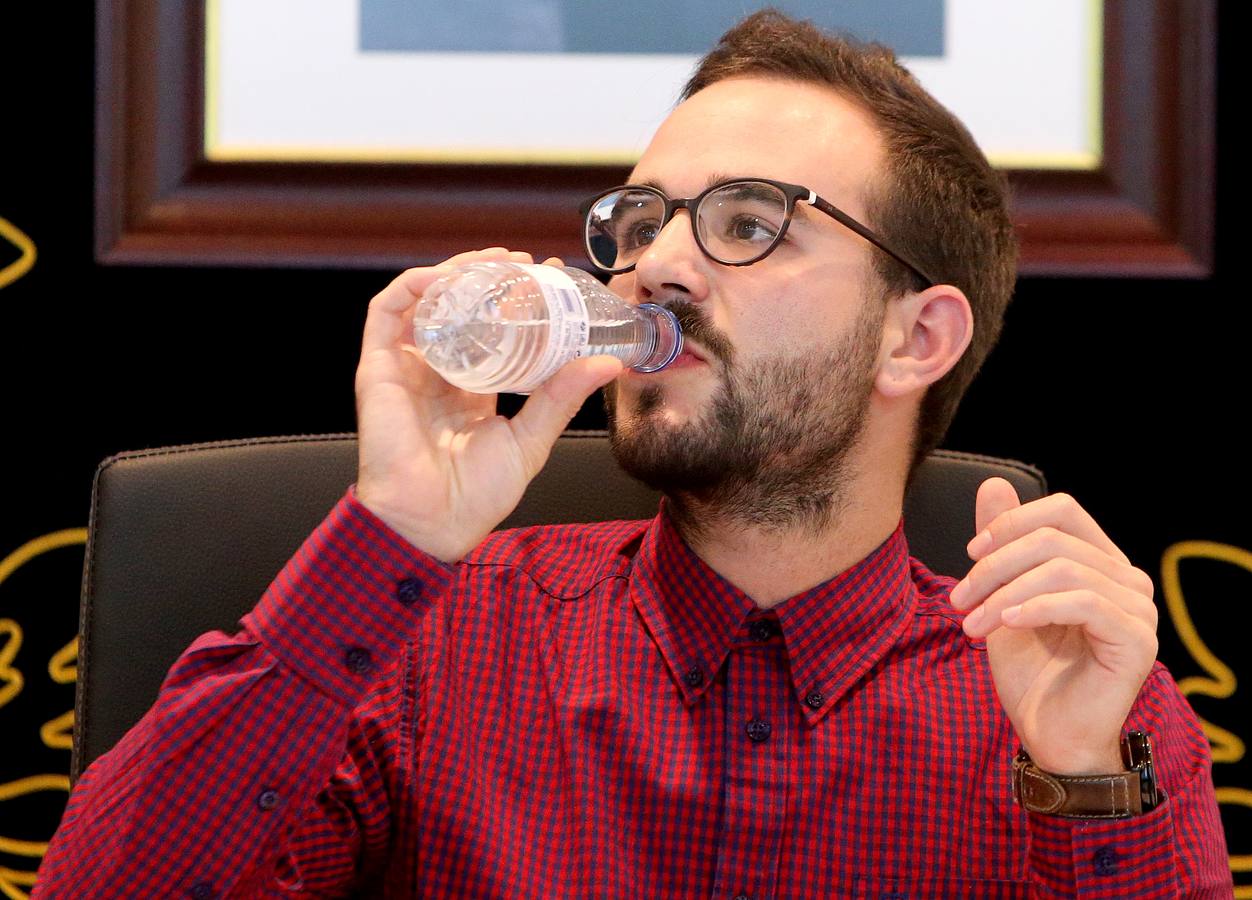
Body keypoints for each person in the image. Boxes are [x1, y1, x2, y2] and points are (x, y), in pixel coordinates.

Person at [36, 10, 1232, 898]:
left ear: (912, 336)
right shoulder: (436, 631)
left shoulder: (1076, 706)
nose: (653, 264)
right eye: (641, 217)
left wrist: (1081, 781)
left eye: (749, 223)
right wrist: (386, 536)